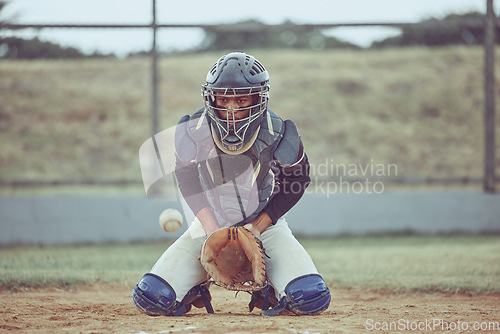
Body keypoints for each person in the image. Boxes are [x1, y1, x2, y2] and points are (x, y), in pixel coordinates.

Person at [132, 52, 331, 316]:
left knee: (310, 297)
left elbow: (298, 179)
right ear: (210, 97)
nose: (231, 108)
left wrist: (259, 227)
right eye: (223, 99)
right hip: (210, 223)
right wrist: (211, 229)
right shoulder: (193, 130)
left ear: (259, 98)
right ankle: (196, 286)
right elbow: (187, 177)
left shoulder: (278, 131)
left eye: (241, 99)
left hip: (263, 224)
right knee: (152, 297)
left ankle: (269, 289)